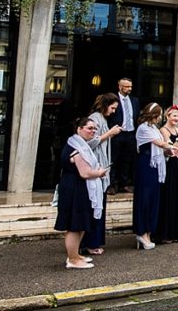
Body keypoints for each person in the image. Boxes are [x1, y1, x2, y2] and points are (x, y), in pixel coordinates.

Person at [55, 117, 108, 269]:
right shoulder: (74, 147)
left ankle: (76, 255)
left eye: (94, 129)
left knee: (81, 223)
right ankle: (72, 259)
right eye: (89, 128)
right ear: (79, 129)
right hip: (74, 188)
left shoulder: (82, 146)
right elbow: (84, 172)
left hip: (81, 187)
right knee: (74, 224)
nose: (93, 131)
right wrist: (99, 173)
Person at [133, 102, 178, 250]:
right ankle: (141, 232)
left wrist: (171, 150)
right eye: (159, 115)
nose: (160, 118)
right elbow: (159, 143)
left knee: (153, 198)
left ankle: (148, 232)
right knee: (144, 198)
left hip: (156, 165)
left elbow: (162, 147)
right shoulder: (143, 128)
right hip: (146, 164)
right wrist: (172, 146)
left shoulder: (154, 128)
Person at [80, 93, 123, 255]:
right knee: (95, 206)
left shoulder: (102, 119)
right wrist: (110, 133)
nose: (113, 112)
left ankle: (94, 241)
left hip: (102, 167)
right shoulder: (95, 118)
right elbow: (89, 142)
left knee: (99, 206)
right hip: (95, 167)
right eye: (112, 108)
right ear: (106, 105)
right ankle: (90, 243)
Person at [154, 105, 178, 244]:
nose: (176, 118)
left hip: (177, 165)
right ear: (167, 116)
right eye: (174, 115)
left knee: (177, 196)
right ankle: (165, 233)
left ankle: (176, 231)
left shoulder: (177, 129)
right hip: (168, 165)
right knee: (168, 196)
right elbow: (170, 148)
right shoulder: (164, 130)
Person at [106, 78, 139, 194]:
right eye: (127, 87)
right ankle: (112, 184)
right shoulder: (114, 100)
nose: (129, 89)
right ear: (120, 87)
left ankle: (123, 184)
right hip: (117, 133)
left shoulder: (134, 100)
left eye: (130, 86)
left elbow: (136, 116)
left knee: (127, 160)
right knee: (114, 159)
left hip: (130, 133)